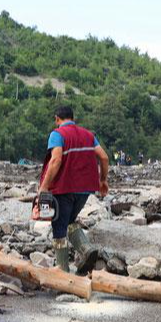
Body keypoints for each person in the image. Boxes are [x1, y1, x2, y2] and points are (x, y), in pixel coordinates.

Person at [38, 105, 109, 273]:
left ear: (57, 119)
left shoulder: (57, 134)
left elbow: (55, 161)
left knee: (59, 228)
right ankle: (86, 248)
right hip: (85, 190)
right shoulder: (89, 135)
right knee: (69, 220)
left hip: (64, 188)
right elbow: (104, 157)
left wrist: (44, 186)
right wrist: (103, 180)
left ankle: (63, 272)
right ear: (72, 117)